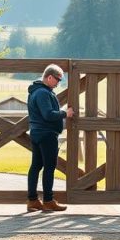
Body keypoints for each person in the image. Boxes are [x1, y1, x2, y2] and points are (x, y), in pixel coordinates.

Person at [26, 64, 74, 212]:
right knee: (49, 167)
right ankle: (48, 200)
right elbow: (48, 114)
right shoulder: (43, 93)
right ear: (49, 77)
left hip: (37, 133)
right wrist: (65, 113)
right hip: (46, 134)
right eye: (58, 80)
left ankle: (32, 200)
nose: (59, 83)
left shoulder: (37, 91)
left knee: (36, 166)